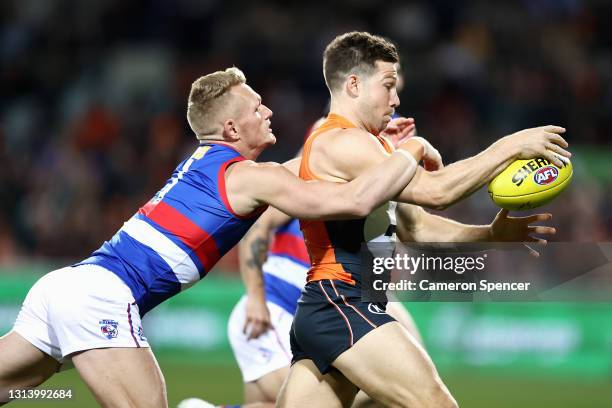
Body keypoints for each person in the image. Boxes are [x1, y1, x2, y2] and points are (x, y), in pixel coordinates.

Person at [0, 67, 435, 407]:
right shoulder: (245, 176)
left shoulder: (212, 164)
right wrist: (405, 154)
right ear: (231, 128)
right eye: (256, 107)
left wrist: (370, 145)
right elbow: (356, 200)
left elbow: (302, 169)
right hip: (101, 299)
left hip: (64, 287)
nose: (267, 111)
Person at [277, 31, 570, 407]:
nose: (396, 98)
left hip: (331, 308)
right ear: (353, 84)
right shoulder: (341, 142)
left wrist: (490, 233)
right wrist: (509, 145)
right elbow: (437, 192)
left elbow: (417, 225)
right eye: (387, 85)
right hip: (343, 302)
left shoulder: (374, 146)